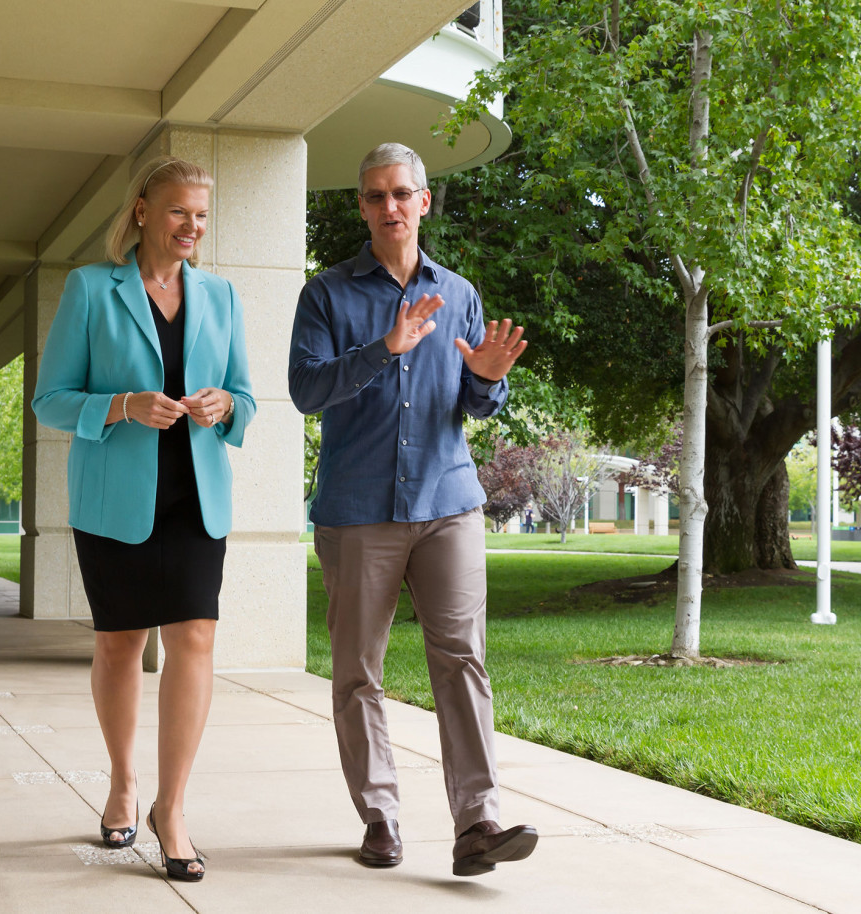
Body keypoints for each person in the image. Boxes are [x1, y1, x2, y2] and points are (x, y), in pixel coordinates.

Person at [288, 143, 536, 877]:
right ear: (361, 207)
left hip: (447, 501)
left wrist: (490, 381)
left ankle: (478, 823)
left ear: (424, 201)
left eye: (401, 193)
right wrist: (382, 349)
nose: (389, 206)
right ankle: (380, 814)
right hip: (358, 508)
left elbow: (473, 401)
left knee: (461, 659)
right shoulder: (327, 296)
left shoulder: (459, 293)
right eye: (374, 196)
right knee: (358, 671)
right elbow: (305, 391)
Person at [32, 155, 255, 882]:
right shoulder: (92, 289)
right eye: (177, 211)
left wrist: (226, 407)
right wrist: (123, 406)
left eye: (201, 214)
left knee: (195, 636)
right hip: (115, 500)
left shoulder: (220, 296)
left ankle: (173, 809)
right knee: (121, 646)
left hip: (196, 496)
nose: (191, 226)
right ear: (140, 211)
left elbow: (247, 399)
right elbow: (51, 399)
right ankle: (123, 782)